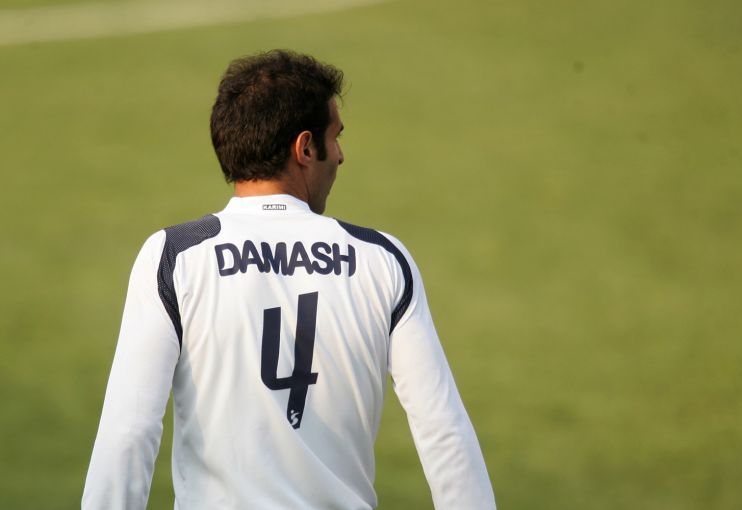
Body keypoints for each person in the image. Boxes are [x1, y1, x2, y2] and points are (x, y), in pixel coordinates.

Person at [82, 49, 496, 510]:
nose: (340, 155)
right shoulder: (381, 259)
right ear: (305, 149)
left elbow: (129, 432)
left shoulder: (174, 256)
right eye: (335, 137)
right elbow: (443, 431)